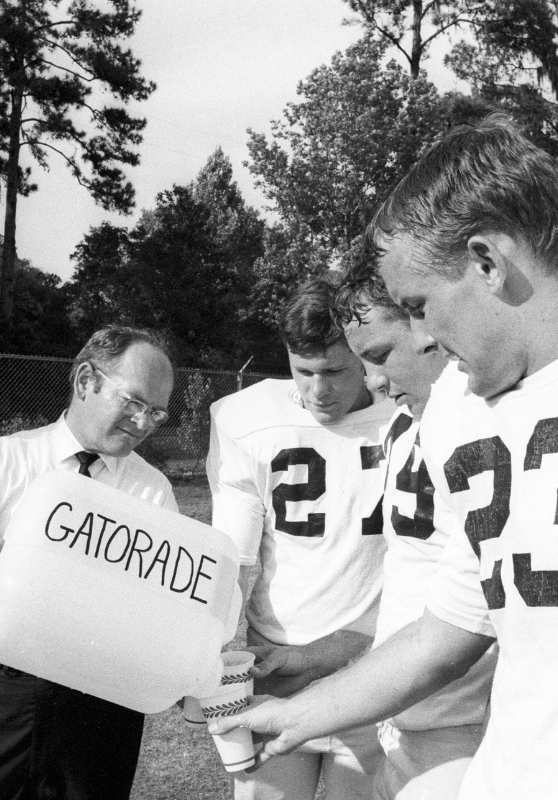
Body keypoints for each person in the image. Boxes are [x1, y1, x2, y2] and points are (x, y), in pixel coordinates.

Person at [209, 114, 558, 800]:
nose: (422, 337)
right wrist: (299, 713)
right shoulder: (466, 412)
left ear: (489, 262)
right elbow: (444, 631)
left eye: (420, 306)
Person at [0, 325, 177, 800]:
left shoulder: (153, 490)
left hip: (102, 700)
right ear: (86, 380)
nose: (144, 422)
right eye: (133, 402)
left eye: (157, 412)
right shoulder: (1, 461)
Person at [206, 276, 395, 800]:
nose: (319, 390)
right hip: (275, 668)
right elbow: (234, 560)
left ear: (364, 355)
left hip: (373, 671)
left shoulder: (409, 414)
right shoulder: (246, 419)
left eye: (334, 370)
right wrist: (210, 652)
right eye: (303, 370)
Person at [333, 267, 497, 798]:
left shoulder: (482, 419)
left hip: (463, 721)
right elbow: (412, 568)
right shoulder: (402, 424)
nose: (373, 381)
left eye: (379, 355)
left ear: (427, 323)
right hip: (405, 711)